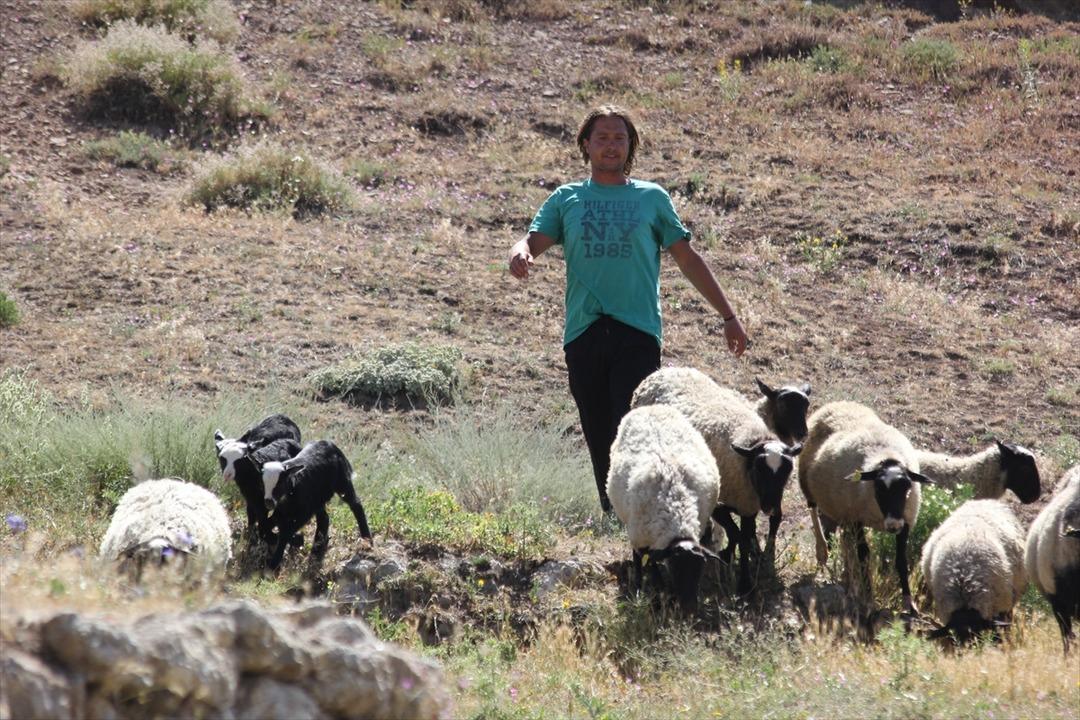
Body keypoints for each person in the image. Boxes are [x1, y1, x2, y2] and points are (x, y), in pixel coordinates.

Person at [508, 104, 748, 513]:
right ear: (586, 145)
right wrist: (519, 253)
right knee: (597, 429)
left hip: (636, 331)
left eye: (619, 138)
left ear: (630, 146)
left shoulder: (651, 198)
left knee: (633, 425)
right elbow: (531, 241)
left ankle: (646, 514)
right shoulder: (567, 198)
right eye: (601, 137)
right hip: (583, 332)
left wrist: (728, 316)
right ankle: (613, 513)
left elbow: (687, 258)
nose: (610, 145)